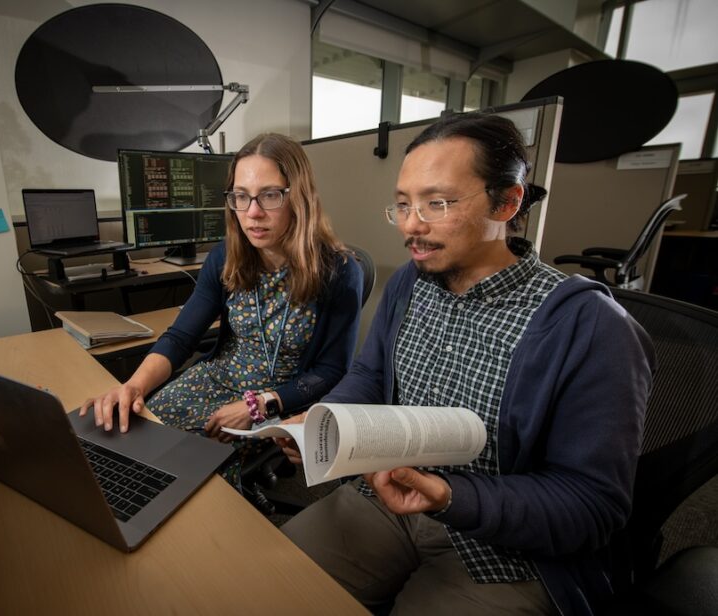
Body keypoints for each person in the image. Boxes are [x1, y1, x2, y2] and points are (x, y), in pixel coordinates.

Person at [275, 112, 655, 615]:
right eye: (404, 205)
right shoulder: (413, 282)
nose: (412, 225)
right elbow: (370, 375)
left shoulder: (590, 327)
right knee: (272, 584)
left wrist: (450, 496)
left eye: (438, 203)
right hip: (388, 497)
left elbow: (592, 506)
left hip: (506, 545)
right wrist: (322, 423)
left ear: (507, 202)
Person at [81, 133, 364, 488]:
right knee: (138, 435)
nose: (253, 213)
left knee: (192, 471)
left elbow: (331, 370)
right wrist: (134, 386)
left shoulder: (338, 271)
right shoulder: (225, 257)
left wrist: (261, 404)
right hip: (214, 379)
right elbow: (182, 337)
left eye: (270, 195)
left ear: (300, 196)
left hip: (281, 397)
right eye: (241, 197)